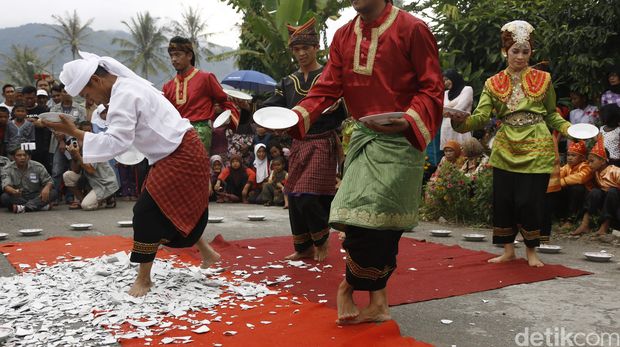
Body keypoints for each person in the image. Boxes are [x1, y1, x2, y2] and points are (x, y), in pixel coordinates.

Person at [288, 0, 443, 324]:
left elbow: (432, 87)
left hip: (401, 142)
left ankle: (352, 288)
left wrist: (409, 119)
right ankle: (377, 302)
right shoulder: (344, 36)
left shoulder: (412, 29)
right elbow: (329, 86)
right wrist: (298, 115)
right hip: (363, 138)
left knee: (380, 224)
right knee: (356, 219)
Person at [44, 51, 221, 297]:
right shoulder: (126, 88)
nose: (92, 100)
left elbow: (117, 142)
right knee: (171, 206)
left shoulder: (125, 94)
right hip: (176, 152)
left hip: (181, 154)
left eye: (87, 94)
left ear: (96, 81)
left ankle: (144, 279)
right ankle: (208, 253)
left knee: (146, 213)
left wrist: (75, 131)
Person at [448, 20, 571, 267]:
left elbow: (551, 115)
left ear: (531, 52)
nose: (521, 56)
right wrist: (460, 122)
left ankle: (532, 253)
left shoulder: (544, 79)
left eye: (526, 51)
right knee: (504, 200)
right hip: (505, 148)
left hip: (536, 147)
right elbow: (482, 117)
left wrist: (570, 129)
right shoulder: (493, 83)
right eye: (516, 51)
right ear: (506, 51)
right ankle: (508, 250)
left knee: (530, 201)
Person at [262, 17, 347, 262]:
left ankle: (321, 243)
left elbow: (343, 108)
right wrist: (250, 110)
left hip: (322, 141)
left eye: (305, 48)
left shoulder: (329, 76)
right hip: (298, 144)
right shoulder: (288, 82)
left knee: (310, 195)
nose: (300, 53)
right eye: (296, 49)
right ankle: (303, 248)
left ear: (316, 48)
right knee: (295, 195)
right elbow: (271, 108)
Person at [163, 36, 239, 154]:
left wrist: (232, 119)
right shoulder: (168, 87)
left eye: (177, 55)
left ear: (189, 56)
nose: (173, 59)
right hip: (176, 134)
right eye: (171, 56)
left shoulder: (206, 78)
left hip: (200, 133)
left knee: (197, 170)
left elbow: (225, 101)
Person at [571, 136, 619, 240]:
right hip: (606, 200)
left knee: (612, 191)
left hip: (615, 201)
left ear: (603, 161)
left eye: (592, 161)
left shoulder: (615, 171)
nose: (589, 164)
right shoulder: (596, 172)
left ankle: (604, 226)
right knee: (595, 192)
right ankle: (585, 224)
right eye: (588, 161)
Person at [63, 126, 118, 210]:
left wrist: (77, 154)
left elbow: (90, 170)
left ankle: (107, 197)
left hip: (104, 183)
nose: (87, 133)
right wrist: (74, 155)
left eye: (89, 130)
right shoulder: (79, 146)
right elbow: (75, 170)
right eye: (84, 131)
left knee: (87, 206)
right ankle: (82, 200)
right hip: (91, 181)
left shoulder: (95, 147)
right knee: (67, 175)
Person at [49, 84, 87, 204]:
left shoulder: (80, 109)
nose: (67, 93)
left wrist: (69, 136)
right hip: (57, 143)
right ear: (61, 93)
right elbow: (51, 125)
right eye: (64, 91)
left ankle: (71, 197)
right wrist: (61, 140)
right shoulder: (54, 109)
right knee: (57, 170)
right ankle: (54, 196)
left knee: (73, 170)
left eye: (69, 91)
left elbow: (81, 126)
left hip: (74, 144)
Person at [1, 146, 55, 213]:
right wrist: (13, 191)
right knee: (4, 197)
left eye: (25, 155)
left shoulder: (38, 166)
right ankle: (38, 206)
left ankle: (23, 207)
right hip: (19, 196)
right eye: (19, 155)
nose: (22, 157)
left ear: (29, 157)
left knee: (53, 193)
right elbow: (6, 186)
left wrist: (47, 187)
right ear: (13, 158)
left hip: (36, 195)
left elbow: (49, 181)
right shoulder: (7, 169)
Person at [440, 69, 473, 149]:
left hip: (461, 127)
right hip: (446, 128)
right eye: (444, 81)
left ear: (454, 78)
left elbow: (460, 107)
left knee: (464, 153)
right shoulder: (445, 93)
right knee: (449, 155)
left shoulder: (467, 89)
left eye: (447, 79)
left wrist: (447, 108)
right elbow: (441, 110)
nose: (446, 83)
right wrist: (449, 108)